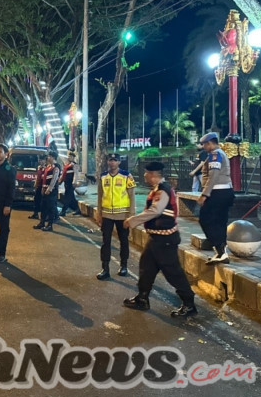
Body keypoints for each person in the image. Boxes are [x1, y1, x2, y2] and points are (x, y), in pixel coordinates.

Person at [123, 162, 197, 317]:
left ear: (153, 175)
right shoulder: (158, 189)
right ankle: (142, 298)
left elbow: (155, 211)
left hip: (165, 239)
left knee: (172, 272)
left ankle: (189, 304)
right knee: (146, 268)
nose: (144, 176)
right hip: (156, 237)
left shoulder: (163, 190)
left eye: (146, 173)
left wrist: (132, 221)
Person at [96, 153, 136, 279]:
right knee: (105, 242)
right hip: (107, 214)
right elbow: (100, 196)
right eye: (110, 160)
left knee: (124, 241)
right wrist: (99, 213)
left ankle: (124, 266)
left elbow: (132, 196)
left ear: (119, 162)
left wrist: (131, 215)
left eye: (115, 160)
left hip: (122, 214)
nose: (112, 162)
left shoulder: (126, 176)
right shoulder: (103, 177)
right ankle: (105, 268)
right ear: (107, 161)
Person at [198, 133, 234, 265]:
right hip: (225, 191)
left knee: (205, 220)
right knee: (219, 222)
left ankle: (220, 249)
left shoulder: (215, 155)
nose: (203, 147)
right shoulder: (220, 154)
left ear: (210, 143)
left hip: (217, 192)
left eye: (204, 144)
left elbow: (213, 176)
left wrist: (205, 194)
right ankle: (221, 252)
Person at [34, 150, 60, 232]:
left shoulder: (55, 168)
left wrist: (49, 189)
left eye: (49, 156)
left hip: (51, 191)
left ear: (53, 157)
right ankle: (42, 223)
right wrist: (42, 188)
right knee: (43, 207)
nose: (48, 158)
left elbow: (54, 180)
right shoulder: (48, 167)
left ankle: (49, 225)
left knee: (50, 208)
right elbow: (44, 179)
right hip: (44, 190)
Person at [59, 150, 82, 217]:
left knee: (67, 197)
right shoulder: (67, 165)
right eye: (69, 156)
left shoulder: (74, 165)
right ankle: (78, 210)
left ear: (73, 157)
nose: (69, 158)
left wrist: (74, 183)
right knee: (71, 197)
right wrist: (60, 181)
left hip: (70, 184)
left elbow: (76, 174)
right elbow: (64, 174)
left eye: (71, 156)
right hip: (66, 183)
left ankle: (63, 211)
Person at [29, 155, 46, 220]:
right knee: (36, 200)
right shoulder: (39, 168)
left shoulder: (46, 168)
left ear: (45, 161)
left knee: (42, 202)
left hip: (43, 187)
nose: (40, 161)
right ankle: (35, 214)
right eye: (39, 160)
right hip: (38, 186)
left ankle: (43, 216)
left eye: (41, 160)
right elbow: (37, 177)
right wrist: (35, 184)